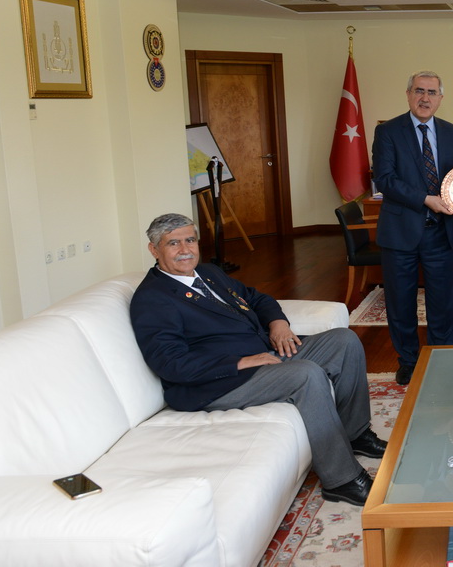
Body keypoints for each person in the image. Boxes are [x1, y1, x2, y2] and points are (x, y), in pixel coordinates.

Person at [130, 214, 387, 507]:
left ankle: (356, 434)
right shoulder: (153, 299)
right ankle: (341, 480)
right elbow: (169, 363)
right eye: (173, 243)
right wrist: (239, 362)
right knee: (305, 374)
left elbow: (257, 298)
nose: (185, 249)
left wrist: (278, 323)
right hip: (220, 381)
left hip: (264, 352)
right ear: (154, 249)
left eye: (190, 240)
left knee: (344, 340)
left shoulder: (208, 272)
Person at [372, 71, 453, 385]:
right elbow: (385, 180)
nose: (425, 98)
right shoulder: (388, 132)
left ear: (440, 98)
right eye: (419, 91)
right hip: (400, 233)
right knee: (401, 304)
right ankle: (409, 361)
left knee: (442, 303)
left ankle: (443, 359)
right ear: (408, 94)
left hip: (440, 232)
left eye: (431, 92)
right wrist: (426, 199)